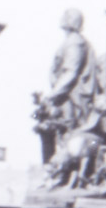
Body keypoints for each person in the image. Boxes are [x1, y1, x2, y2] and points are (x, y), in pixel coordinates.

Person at [35, 9, 101, 164]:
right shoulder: (73, 41)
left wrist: (52, 95)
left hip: (71, 97)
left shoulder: (74, 42)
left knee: (68, 135)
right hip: (65, 96)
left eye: (65, 15)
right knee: (62, 135)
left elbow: (71, 72)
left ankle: (63, 172)